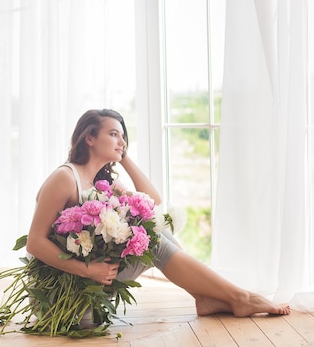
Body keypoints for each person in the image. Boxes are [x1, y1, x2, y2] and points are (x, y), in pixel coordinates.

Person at [26, 108, 290, 317]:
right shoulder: (65, 177)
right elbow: (34, 242)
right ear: (90, 138)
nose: (121, 141)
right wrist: (89, 271)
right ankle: (239, 298)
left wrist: (124, 157)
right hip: (65, 304)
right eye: (114, 134)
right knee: (151, 240)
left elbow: (152, 201)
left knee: (154, 233)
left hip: (93, 292)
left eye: (124, 136)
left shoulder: (102, 183)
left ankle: (208, 297)